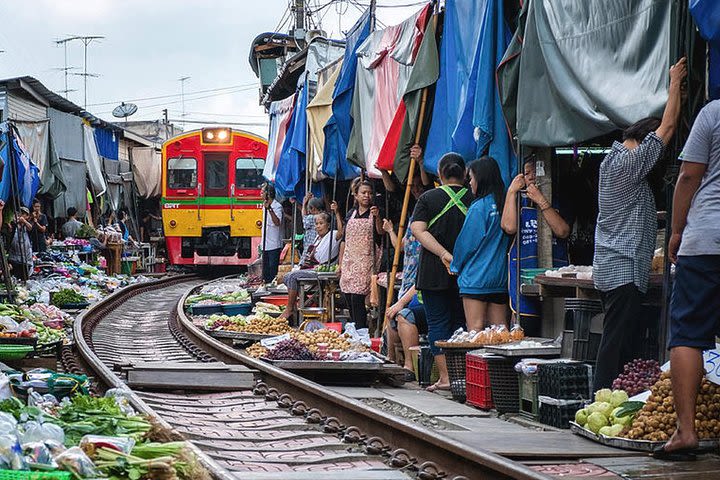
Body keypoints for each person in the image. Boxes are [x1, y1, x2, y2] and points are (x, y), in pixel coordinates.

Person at [592, 57, 687, 391]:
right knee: (616, 341)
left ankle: (614, 394)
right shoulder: (630, 163)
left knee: (621, 338)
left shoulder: (616, 163)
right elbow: (669, 128)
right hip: (622, 269)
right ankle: (601, 396)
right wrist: (674, 82)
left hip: (615, 268)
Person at [654, 98, 720, 460]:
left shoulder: (712, 113)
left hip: (707, 239)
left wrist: (676, 231)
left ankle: (686, 432)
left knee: (688, 335)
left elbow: (689, 175)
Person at [411, 152, 474, 392]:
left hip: (433, 272)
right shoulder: (474, 198)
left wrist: (442, 254)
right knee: (460, 322)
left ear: (440, 174)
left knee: (438, 322)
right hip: (467, 272)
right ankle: (460, 376)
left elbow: (418, 230)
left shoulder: (429, 198)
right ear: (465, 174)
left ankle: (446, 378)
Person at [501, 157, 570, 336]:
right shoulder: (518, 202)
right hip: (525, 279)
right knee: (527, 331)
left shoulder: (556, 200)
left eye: (535, 172)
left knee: (558, 331)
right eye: (527, 173)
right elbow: (509, 227)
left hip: (555, 279)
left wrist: (541, 201)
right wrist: (511, 192)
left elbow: (562, 231)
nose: (531, 177)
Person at [450, 157, 510, 331]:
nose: (470, 183)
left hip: (475, 278)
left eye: (471, 178)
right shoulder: (505, 205)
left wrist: (455, 266)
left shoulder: (479, 207)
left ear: (481, 179)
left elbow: (466, 244)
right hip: (499, 278)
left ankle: (476, 360)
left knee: (475, 330)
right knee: (500, 332)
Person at [280, 210, 343, 320]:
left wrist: (337, 213)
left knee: (292, 276)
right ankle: (301, 303)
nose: (318, 227)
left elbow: (341, 233)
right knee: (286, 277)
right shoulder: (317, 238)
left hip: (321, 271)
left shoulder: (333, 235)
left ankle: (289, 309)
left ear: (328, 225)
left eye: (321, 223)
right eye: (316, 224)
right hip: (310, 268)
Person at [338, 180, 383, 329]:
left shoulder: (374, 213)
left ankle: (361, 329)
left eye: (369, 193)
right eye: (363, 193)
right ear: (356, 196)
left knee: (358, 298)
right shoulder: (351, 214)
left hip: (365, 263)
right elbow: (344, 240)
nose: (367, 196)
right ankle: (356, 328)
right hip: (349, 261)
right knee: (348, 296)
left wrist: (377, 217)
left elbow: (380, 233)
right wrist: (341, 263)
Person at [261, 183, 284, 284]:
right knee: (265, 270)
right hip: (265, 243)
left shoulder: (277, 206)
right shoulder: (264, 205)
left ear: (268, 194)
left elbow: (277, 222)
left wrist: (270, 209)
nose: (260, 194)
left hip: (274, 244)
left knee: (272, 269)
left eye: (262, 192)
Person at [9, 207, 33, 281]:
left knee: (24, 280)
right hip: (13, 259)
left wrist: (24, 222)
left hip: (26, 260)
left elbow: (30, 228)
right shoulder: (14, 225)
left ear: (27, 216)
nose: (21, 216)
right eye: (19, 213)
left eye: (23, 214)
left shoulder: (27, 226)